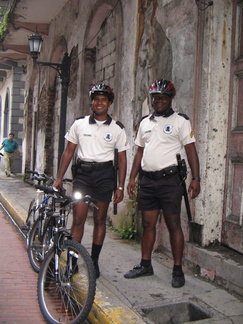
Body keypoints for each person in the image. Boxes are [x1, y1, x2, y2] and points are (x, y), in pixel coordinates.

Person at [124, 79, 200, 288]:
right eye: (156, 97)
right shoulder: (145, 123)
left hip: (170, 182)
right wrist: (132, 178)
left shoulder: (180, 122)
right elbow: (139, 151)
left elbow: (191, 150)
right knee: (148, 224)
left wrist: (196, 178)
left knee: (173, 225)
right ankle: (145, 264)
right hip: (147, 180)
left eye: (163, 97)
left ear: (170, 100)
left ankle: (177, 269)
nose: (159, 101)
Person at [53, 83, 130, 278]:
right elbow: (69, 151)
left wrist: (120, 186)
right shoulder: (79, 124)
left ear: (109, 103)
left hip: (105, 177)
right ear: (91, 102)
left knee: (99, 219)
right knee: (78, 219)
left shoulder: (117, 128)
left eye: (103, 99)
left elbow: (122, 158)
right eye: (96, 99)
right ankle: (72, 261)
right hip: (83, 176)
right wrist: (59, 178)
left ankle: (94, 261)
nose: (99, 103)